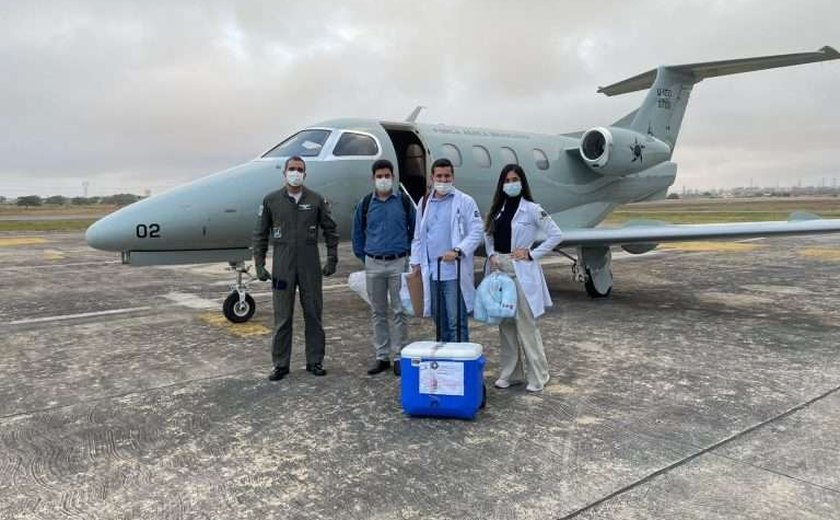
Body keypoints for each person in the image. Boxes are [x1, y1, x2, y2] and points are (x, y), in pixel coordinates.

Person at [253, 155, 340, 381]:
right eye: (291, 169)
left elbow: (331, 230)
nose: (295, 173)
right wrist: (259, 263)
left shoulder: (316, 199)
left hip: (310, 266)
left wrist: (332, 259)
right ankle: (281, 364)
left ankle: (315, 361)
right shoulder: (271, 200)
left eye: (299, 169)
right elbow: (260, 234)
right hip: (283, 267)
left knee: (313, 315)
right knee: (282, 317)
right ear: (284, 173)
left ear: (305, 174)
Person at [484, 164, 562, 392]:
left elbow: (556, 234)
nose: (510, 184)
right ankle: (512, 373)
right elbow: (488, 235)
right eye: (506, 180)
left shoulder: (532, 209)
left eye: (514, 179)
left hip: (520, 268)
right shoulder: (497, 209)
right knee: (505, 324)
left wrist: (532, 253)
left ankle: (539, 375)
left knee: (526, 324)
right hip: (500, 268)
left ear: (522, 181)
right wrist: (491, 255)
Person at [352, 159, 416, 376]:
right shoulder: (366, 203)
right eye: (379, 176)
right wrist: (366, 258)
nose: (383, 179)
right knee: (378, 311)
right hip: (374, 263)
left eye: (387, 175)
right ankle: (382, 356)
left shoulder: (404, 202)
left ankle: (399, 356)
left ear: (393, 177)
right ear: (373, 179)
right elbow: (357, 233)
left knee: (400, 310)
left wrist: (409, 256)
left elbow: (414, 230)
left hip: (399, 262)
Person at [409, 158, 483, 342]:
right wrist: (416, 262)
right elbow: (418, 235)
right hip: (432, 271)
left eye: (447, 176)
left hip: (453, 272)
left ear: (453, 177)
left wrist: (458, 250)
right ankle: (444, 358)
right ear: (432, 177)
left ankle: (460, 358)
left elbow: (477, 231)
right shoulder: (425, 202)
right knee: (439, 319)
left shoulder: (465, 201)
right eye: (439, 176)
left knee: (456, 320)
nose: (443, 180)